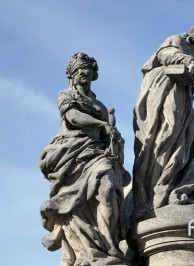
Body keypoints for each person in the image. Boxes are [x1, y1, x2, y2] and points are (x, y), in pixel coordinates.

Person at [40, 52, 130, 265]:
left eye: (88, 73)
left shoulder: (99, 105)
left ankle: (109, 245)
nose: (85, 76)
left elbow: (107, 133)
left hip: (97, 154)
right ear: (72, 74)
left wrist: (114, 136)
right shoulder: (66, 95)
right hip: (72, 154)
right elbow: (73, 117)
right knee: (77, 207)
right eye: (81, 72)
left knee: (108, 189)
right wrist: (102, 124)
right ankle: (89, 251)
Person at [133, 21, 194, 219]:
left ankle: (185, 189)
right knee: (168, 136)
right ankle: (158, 195)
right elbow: (165, 55)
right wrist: (186, 61)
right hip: (162, 92)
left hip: (181, 100)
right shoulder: (176, 40)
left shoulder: (193, 56)